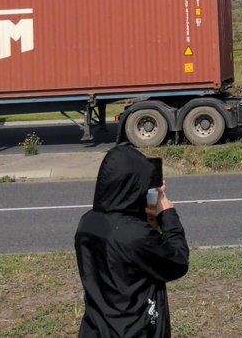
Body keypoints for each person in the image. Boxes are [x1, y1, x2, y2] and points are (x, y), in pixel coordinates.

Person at [75, 145, 189, 338]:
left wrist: (145, 213)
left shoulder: (87, 222)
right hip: (135, 330)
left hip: (97, 327)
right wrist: (167, 214)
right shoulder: (135, 236)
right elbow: (177, 262)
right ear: (132, 186)